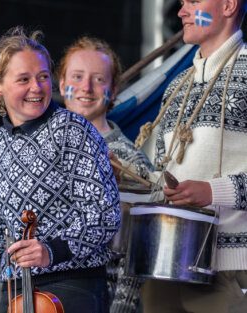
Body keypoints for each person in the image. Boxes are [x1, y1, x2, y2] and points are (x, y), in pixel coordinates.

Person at [0, 26, 120, 313]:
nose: (37, 87)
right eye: (24, 79)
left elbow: (104, 213)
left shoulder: (72, 129)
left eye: (43, 77)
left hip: (71, 285)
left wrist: (51, 250)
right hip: (14, 291)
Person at [134, 0, 247, 312]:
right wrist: (131, 178)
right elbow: (160, 174)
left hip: (230, 269)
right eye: (182, 3)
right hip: (166, 264)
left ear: (228, 5)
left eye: (193, 2)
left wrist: (212, 191)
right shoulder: (176, 88)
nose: (182, 11)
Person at [56, 36, 153, 313]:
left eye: (99, 79)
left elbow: (137, 253)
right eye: (77, 76)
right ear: (62, 84)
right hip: (40, 297)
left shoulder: (133, 163)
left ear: (113, 89)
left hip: (102, 300)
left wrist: (121, 307)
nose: (86, 87)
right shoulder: (38, 148)